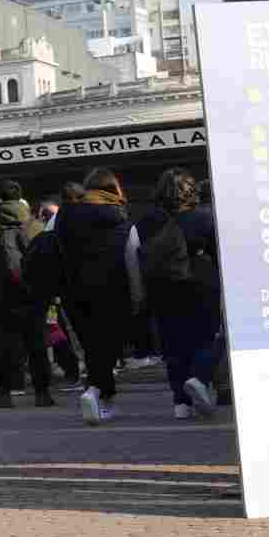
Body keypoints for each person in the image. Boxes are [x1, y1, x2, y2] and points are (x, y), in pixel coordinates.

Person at [130, 168, 222, 419]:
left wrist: (139, 294)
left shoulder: (145, 221)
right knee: (209, 336)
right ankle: (200, 378)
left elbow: (132, 255)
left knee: (173, 346)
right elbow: (221, 256)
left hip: (161, 288)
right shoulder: (205, 217)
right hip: (202, 284)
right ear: (191, 190)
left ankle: (181, 404)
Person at [55, 168, 141, 424]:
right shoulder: (120, 218)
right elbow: (132, 256)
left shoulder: (64, 215)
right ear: (114, 189)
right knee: (107, 346)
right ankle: (95, 391)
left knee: (92, 345)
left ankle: (102, 396)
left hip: (72, 289)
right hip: (112, 288)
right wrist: (137, 295)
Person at [0, 181, 52, 408]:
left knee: (3, 347)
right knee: (36, 344)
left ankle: (3, 394)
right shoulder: (35, 226)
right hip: (33, 295)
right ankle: (43, 393)